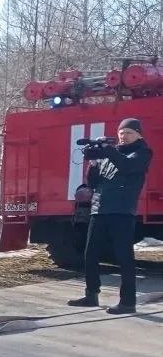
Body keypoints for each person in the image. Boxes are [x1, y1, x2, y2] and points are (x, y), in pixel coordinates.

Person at [68, 118, 153, 314]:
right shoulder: (111, 153)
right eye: (121, 133)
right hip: (99, 209)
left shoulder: (142, 152)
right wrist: (94, 162)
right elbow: (93, 182)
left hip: (122, 211)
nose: (124, 136)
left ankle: (128, 302)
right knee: (90, 253)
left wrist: (107, 150)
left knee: (124, 256)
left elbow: (127, 166)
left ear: (139, 135)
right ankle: (91, 294)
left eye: (129, 133)